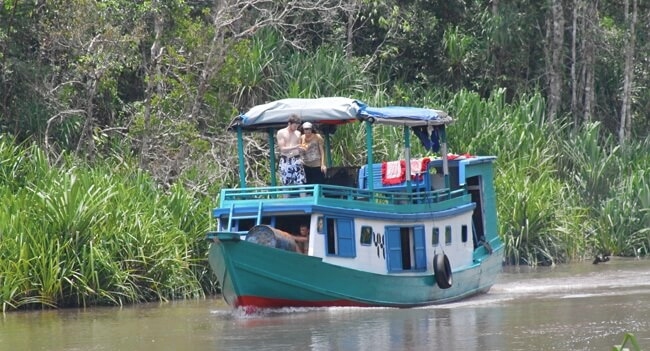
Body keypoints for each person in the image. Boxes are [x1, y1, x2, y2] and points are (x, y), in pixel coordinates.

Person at [276, 114, 306, 187]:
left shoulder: (298, 133)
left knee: (301, 182)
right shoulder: (281, 132)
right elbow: (282, 149)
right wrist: (295, 147)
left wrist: (302, 153)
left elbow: (299, 147)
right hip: (286, 159)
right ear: (289, 124)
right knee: (285, 182)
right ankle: (286, 198)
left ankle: (303, 198)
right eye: (295, 126)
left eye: (297, 126)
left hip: (296, 159)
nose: (296, 128)